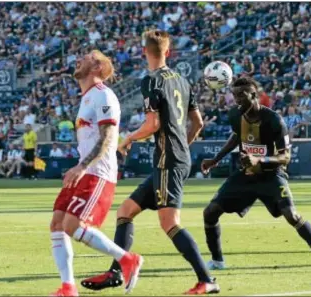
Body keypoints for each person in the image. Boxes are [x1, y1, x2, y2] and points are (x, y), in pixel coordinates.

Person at [81, 30, 219, 295]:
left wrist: (128, 138)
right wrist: (182, 147)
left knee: (170, 223)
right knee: (126, 210)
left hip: (169, 159)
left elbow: (152, 124)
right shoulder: (182, 80)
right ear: (168, 52)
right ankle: (116, 272)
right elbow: (198, 123)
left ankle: (207, 280)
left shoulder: (152, 81)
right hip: (174, 158)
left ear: (145, 51)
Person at [200, 77, 311, 274]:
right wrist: (215, 159)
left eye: (242, 95)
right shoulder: (235, 115)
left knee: (291, 215)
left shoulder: (274, 120)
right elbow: (236, 136)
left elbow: (286, 156)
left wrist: (259, 160)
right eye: (234, 95)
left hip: (272, 175)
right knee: (210, 211)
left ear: (254, 95)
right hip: (246, 175)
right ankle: (217, 260)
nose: (237, 100)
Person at [49, 50, 142, 297]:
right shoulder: (87, 97)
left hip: (98, 171)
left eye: (87, 57)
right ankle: (68, 287)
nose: (78, 58)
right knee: (58, 223)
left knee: (73, 224)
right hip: (85, 169)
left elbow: (108, 136)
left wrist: (82, 166)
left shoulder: (103, 95)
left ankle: (127, 259)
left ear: (97, 67)